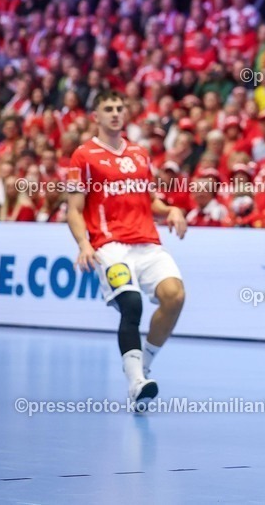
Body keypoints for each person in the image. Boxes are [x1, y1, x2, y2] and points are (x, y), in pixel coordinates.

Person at [66, 90, 188, 410]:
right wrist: (83, 244)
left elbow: (150, 200)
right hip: (110, 246)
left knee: (175, 296)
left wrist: (171, 210)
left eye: (120, 108)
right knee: (131, 304)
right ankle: (135, 383)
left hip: (146, 242)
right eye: (108, 109)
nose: (116, 113)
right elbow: (74, 210)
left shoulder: (139, 153)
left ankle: (143, 366)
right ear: (96, 116)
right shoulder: (83, 156)